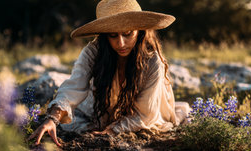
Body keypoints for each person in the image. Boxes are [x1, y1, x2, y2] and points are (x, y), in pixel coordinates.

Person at [28, 0, 190, 147]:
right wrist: (53, 118)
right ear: (105, 36)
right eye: (113, 35)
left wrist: (112, 131)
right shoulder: (93, 51)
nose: (121, 43)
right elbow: (74, 85)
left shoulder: (153, 61)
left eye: (128, 33)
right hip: (102, 110)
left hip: (142, 114)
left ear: (140, 31)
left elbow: (145, 113)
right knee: (75, 123)